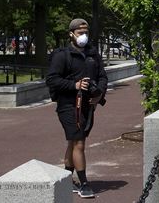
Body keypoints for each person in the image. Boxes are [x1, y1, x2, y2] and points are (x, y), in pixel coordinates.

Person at [46, 18, 108, 198]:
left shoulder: (93, 54)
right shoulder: (62, 55)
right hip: (68, 106)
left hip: (88, 106)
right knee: (79, 142)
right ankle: (84, 183)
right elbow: (52, 80)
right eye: (80, 33)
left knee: (73, 142)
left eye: (86, 33)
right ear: (71, 34)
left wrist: (99, 95)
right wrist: (75, 85)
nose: (84, 36)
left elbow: (103, 77)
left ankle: (66, 177)